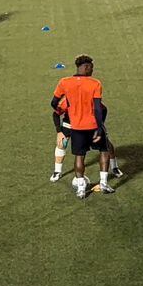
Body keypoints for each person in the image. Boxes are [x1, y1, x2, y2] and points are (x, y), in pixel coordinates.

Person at [51, 55, 117, 198]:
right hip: (93, 126)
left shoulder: (64, 82)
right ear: (86, 67)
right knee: (104, 151)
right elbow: (99, 108)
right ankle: (104, 183)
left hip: (76, 127)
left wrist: (70, 107)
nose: (92, 70)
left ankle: (81, 188)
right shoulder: (95, 84)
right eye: (91, 68)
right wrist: (99, 127)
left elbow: (53, 104)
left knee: (79, 156)